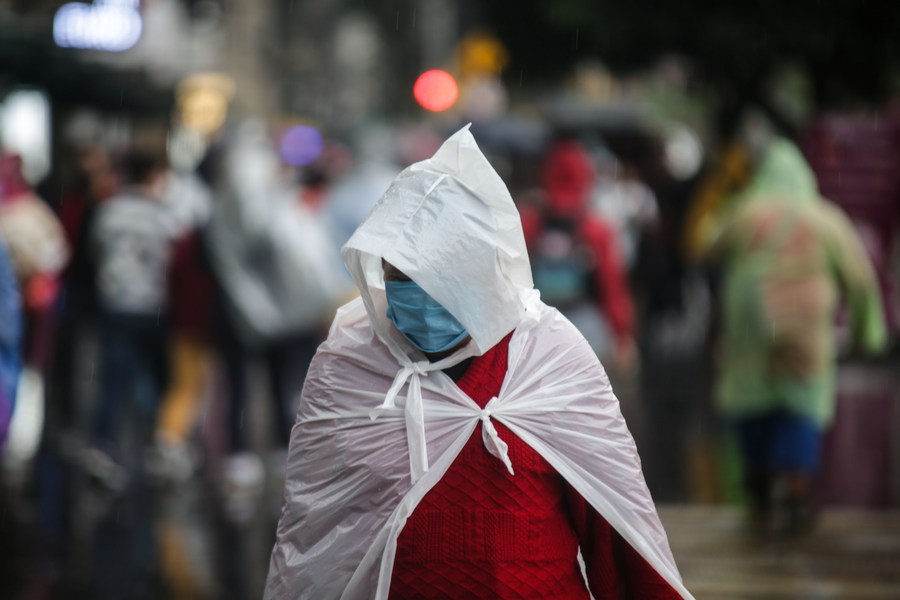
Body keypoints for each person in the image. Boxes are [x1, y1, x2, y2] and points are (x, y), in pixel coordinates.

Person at [264, 126, 691, 599]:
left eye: (436, 275)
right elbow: (311, 539)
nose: (417, 292)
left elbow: (619, 533)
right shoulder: (348, 366)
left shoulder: (547, 358)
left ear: (478, 272)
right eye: (399, 273)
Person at [702, 138, 887, 533]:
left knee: (752, 393)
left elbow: (709, 246)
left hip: (752, 320)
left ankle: (759, 476)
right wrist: (867, 333)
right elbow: (860, 280)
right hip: (805, 319)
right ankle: (796, 481)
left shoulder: (746, 211)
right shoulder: (824, 217)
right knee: (801, 400)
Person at [520, 138, 636, 371]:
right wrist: (622, 334)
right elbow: (611, 286)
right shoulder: (595, 229)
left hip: (536, 331)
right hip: (585, 332)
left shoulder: (528, 222)